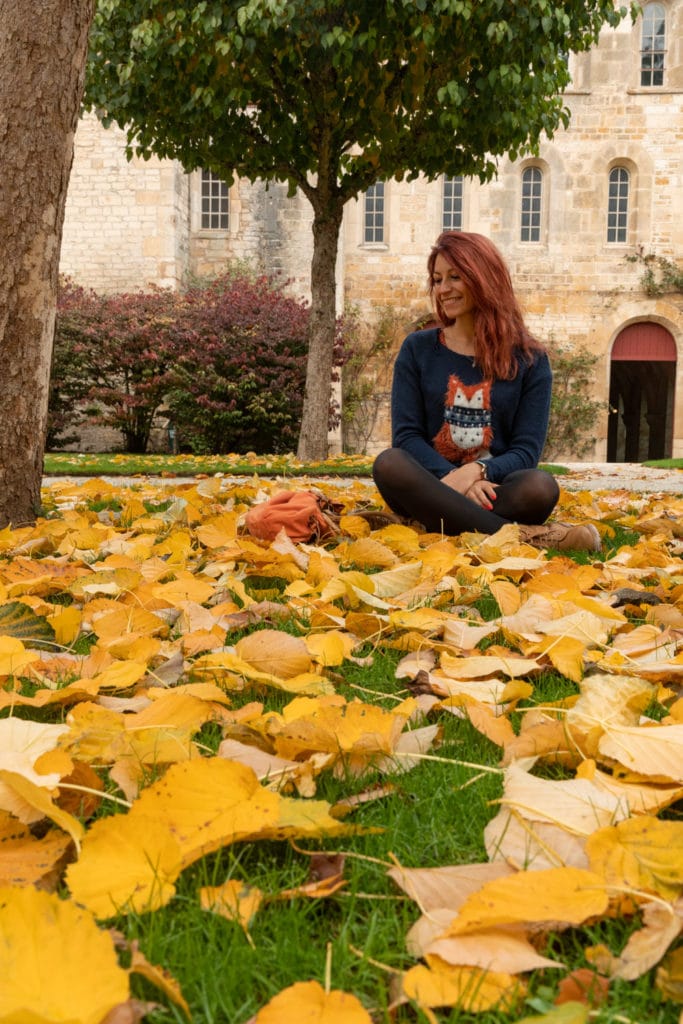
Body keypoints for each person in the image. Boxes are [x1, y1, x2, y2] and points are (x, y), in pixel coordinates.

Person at [372, 231, 601, 551]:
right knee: (390, 464)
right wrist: (457, 483)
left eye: (455, 276)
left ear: (483, 278)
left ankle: (436, 522)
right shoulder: (418, 349)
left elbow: (526, 451)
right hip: (429, 481)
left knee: (540, 487)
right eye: (437, 279)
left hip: (495, 488)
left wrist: (478, 472)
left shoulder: (530, 359)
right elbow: (407, 437)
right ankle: (527, 538)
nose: (443, 289)